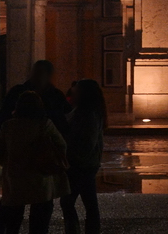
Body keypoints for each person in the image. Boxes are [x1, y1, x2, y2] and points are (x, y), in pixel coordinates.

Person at [0, 91, 70, 234]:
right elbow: (61, 145)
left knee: (12, 221)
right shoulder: (45, 124)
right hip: (40, 177)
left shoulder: (9, 126)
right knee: (40, 222)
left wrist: (8, 163)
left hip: (15, 178)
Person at [61, 79, 106, 234]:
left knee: (68, 202)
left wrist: (71, 156)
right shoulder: (86, 112)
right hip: (86, 164)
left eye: (76, 92)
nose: (72, 94)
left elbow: (87, 142)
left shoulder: (88, 114)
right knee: (89, 203)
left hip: (80, 164)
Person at [0, 61, 68, 133]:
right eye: (36, 72)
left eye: (40, 73)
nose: (37, 76)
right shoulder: (56, 96)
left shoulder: (56, 96)